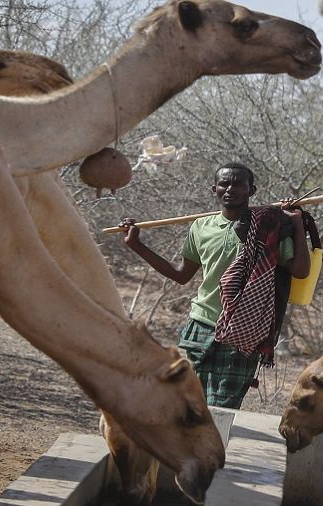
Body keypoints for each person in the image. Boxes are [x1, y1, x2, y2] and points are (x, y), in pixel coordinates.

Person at [120, 162, 310, 408]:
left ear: (251, 190)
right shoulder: (201, 227)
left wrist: (296, 222)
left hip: (245, 330)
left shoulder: (269, 227)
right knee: (193, 405)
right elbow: (181, 275)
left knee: (222, 409)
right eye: (224, 183)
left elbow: (301, 271)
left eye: (238, 184)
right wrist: (136, 245)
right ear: (214, 189)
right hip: (201, 325)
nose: (230, 189)